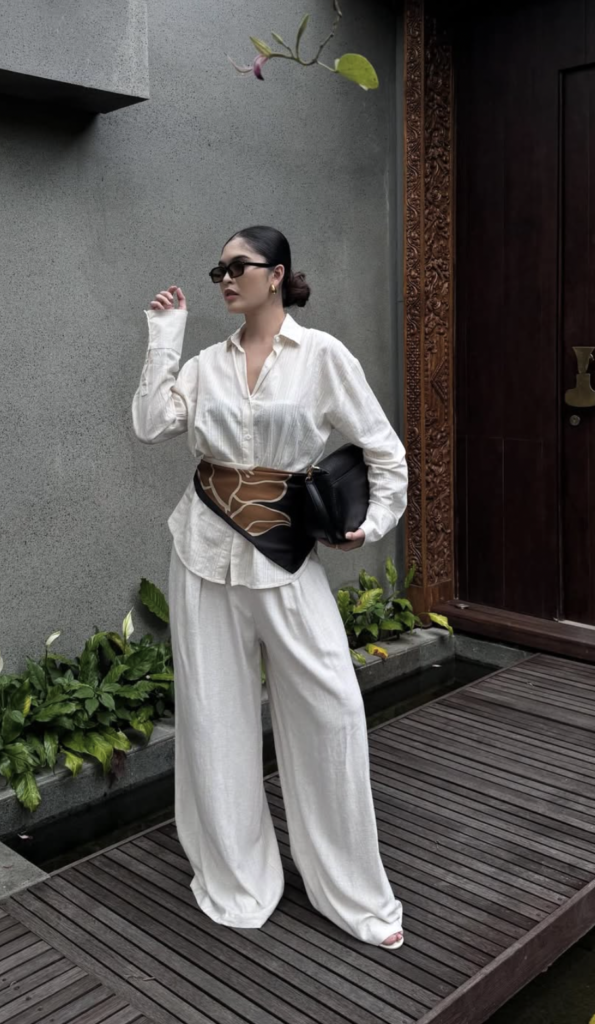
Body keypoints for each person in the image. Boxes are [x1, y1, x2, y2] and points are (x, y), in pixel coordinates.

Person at [132, 225, 407, 949]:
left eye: (239, 266)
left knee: (333, 709)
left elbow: (384, 451)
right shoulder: (204, 364)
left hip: (283, 556)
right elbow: (150, 424)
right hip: (201, 555)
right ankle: (239, 879)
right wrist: (165, 336)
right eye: (218, 269)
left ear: (276, 273)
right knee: (214, 719)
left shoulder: (322, 357)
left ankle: (350, 893)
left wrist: (372, 522)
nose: (225, 278)